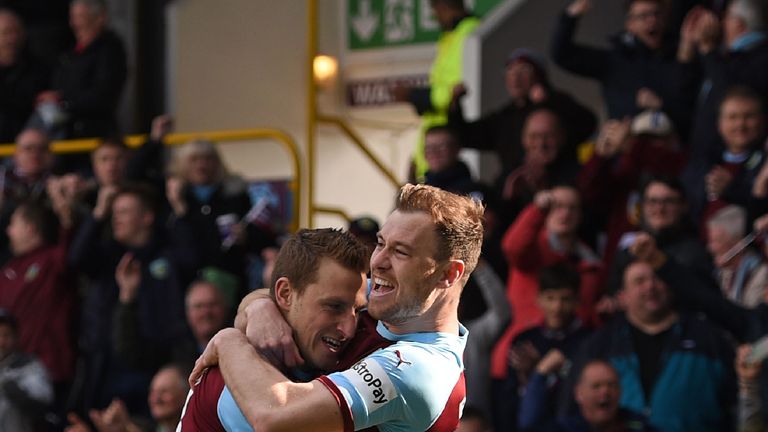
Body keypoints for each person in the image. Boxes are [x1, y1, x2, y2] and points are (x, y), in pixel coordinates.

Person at [189, 183, 484, 431]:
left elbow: (275, 416)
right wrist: (260, 307)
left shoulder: (418, 369)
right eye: (381, 243)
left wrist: (228, 341)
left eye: (401, 252)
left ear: (448, 274)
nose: (378, 262)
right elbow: (286, 293)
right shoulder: (389, 301)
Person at [179, 227, 373, 429]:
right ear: (285, 294)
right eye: (334, 307)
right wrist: (229, 338)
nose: (350, 330)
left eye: (357, 310)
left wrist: (255, 305)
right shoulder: (229, 379)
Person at [68, 183, 196, 417]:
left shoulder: (166, 252)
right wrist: (98, 213)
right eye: (114, 213)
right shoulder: (110, 257)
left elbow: (192, 259)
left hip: (157, 363)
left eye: (124, 212)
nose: (116, 219)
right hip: (111, 364)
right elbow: (77, 259)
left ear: (147, 217)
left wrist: (180, 212)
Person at [570, 254, 735, 432]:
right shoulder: (600, 345)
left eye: (657, 278)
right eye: (639, 281)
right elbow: (573, 409)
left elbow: (735, 403)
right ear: (622, 296)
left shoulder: (709, 339)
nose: (650, 286)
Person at [552, 0, 698, 137]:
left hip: (672, 147)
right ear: (630, 24)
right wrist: (569, 17)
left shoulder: (680, 57)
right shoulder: (613, 60)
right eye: (644, 16)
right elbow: (562, 55)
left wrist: (661, 105)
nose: (652, 20)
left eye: (656, 14)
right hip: (625, 150)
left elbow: (690, 109)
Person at [448, 47, 597, 177]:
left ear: (540, 76)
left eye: (524, 70)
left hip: (557, 184)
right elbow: (464, 136)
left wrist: (548, 100)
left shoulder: (559, 104)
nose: (515, 76)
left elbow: (588, 123)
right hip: (517, 191)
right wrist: (455, 105)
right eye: (510, 70)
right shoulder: (505, 117)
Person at [0, 179, 78, 398]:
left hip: (49, 369)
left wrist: (66, 218)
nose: (8, 231)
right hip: (8, 370)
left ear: (29, 228)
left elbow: (71, 255)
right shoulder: (9, 268)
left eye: (13, 224)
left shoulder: (51, 259)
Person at [394, 0, 480, 182]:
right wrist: (417, 158)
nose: (435, 16)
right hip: (433, 148)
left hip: (450, 141)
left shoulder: (469, 33)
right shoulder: (450, 38)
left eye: (436, 9)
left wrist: (414, 95)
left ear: (445, 5)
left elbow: (455, 90)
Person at [510, 263, 593, 431]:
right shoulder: (524, 341)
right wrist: (528, 378)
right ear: (538, 299)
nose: (557, 307)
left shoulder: (590, 340)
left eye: (565, 299)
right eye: (550, 298)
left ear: (577, 300)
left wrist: (543, 369)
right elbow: (508, 397)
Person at [33, 0, 126, 141]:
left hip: (92, 133)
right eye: (73, 18)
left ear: (100, 18)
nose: (75, 24)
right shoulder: (70, 53)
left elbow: (103, 93)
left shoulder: (109, 50)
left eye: (81, 17)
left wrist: (63, 100)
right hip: (64, 132)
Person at [521, 359, 656, 432]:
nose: (605, 392)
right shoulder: (566, 428)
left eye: (611, 385)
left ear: (620, 391)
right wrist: (540, 373)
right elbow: (530, 425)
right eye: (596, 386)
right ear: (579, 394)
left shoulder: (637, 425)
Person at [0, 309, 54, 432]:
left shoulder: (30, 366)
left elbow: (42, 404)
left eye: (6, 335)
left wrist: (13, 389)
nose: (1, 342)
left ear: (16, 337)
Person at [0, 9, 48, 143]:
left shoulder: (40, 69)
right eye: (6, 32)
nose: (12, 39)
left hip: (28, 148)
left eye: (16, 32)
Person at [707, 205, 768, 308]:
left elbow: (748, 315)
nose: (710, 247)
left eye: (716, 241)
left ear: (738, 244)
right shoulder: (721, 273)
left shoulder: (760, 274)